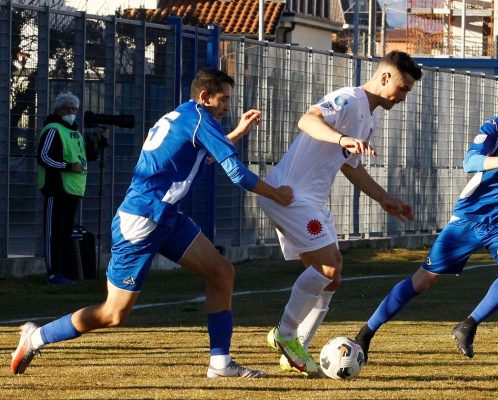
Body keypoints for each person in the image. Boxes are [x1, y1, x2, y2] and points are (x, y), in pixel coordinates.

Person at [11, 69, 293, 378]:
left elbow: (202, 156)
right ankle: (35, 337)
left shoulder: (187, 116)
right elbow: (238, 174)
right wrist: (277, 194)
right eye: (223, 99)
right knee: (113, 313)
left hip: (165, 216)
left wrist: (237, 132)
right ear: (204, 97)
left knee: (222, 272)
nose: (227, 106)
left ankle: (220, 363)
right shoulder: (200, 119)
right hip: (142, 221)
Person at [354, 79, 498, 362]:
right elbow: (470, 162)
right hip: (469, 219)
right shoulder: (493, 130)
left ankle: (467, 326)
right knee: (422, 282)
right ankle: (365, 334)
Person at [259, 51, 422, 377]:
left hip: (310, 202)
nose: (403, 98)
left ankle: (297, 348)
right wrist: (341, 136)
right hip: (290, 194)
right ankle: (285, 334)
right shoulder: (349, 98)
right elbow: (307, 119)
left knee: (331, 278)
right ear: (386, 77)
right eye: (402, 89)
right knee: (329, 265)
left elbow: (352, 167)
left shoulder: (369, 119)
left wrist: (385, 199)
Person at [37, 91, 103, 285]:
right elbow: (44, 157)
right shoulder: (53, 129)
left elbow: (84, 157)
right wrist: (67, 166)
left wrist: (98, 143)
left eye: (75, 109)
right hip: (56, 189)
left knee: (65, 233)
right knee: (53, 233)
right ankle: (52, 273)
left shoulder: (74, 132)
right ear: (59, 110)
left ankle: (64, 271)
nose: (72, 112)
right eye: (68, 109)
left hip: (73, 190)